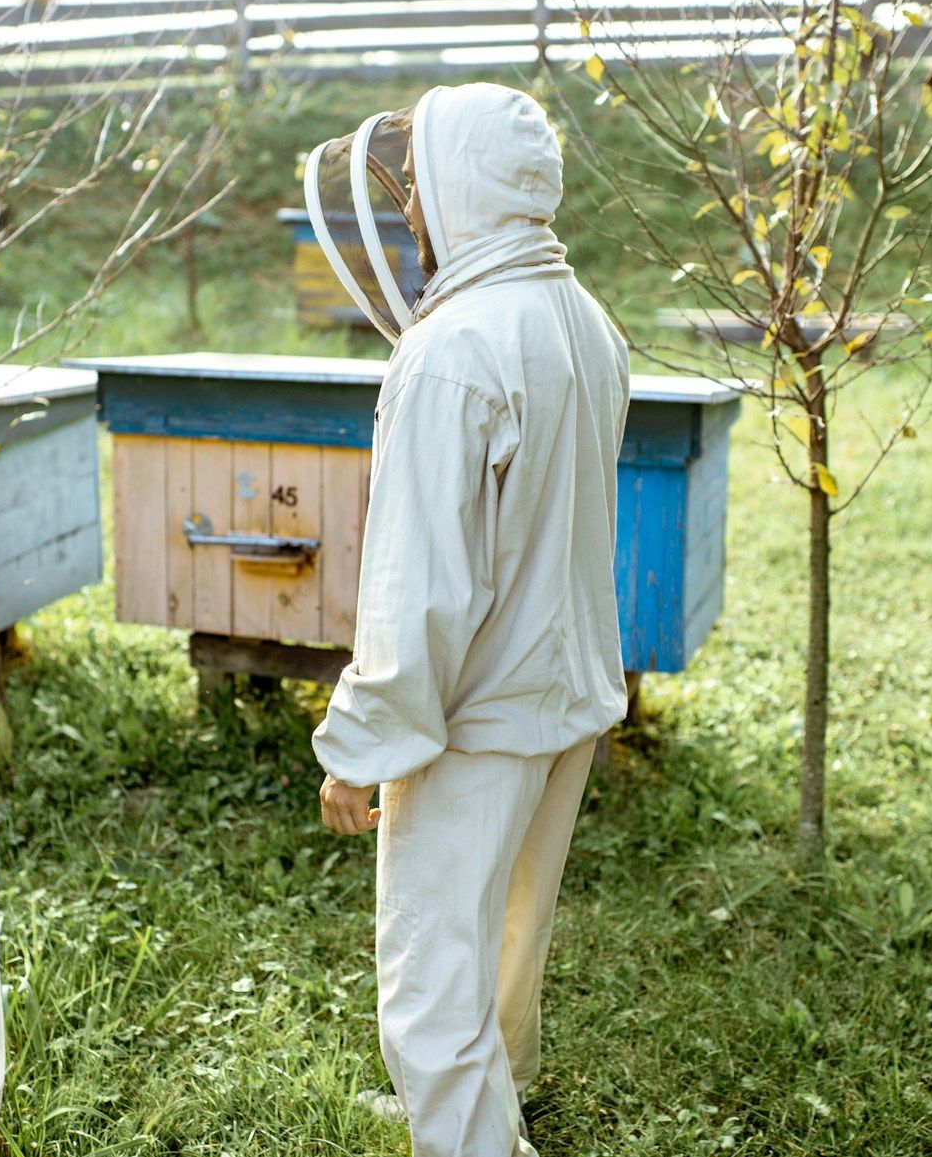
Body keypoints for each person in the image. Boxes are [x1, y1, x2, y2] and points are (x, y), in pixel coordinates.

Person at [303, 83, 631, 1157]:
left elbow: (418, 593)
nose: (405, 209)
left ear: (463, 186)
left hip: (477, 713)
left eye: (416, 183)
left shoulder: (450, 352)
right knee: (509, 935)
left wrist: (358, 751)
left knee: (432, 967)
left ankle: (468, 1136)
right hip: (565, 695)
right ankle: (488, 1103)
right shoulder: (588, 322)